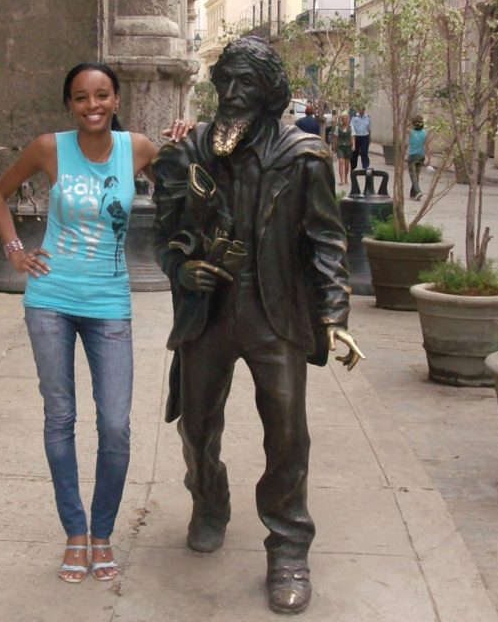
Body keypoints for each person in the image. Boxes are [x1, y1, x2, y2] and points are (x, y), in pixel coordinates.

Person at [151, 36, 365, 615]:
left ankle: (289, 548)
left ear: (269, 93)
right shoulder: (191, 150)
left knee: (288, 434)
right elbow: (164, 232)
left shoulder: (304, 156)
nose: (231, 94)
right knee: (195, 427)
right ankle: (208, 500)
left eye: (245, 84)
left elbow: (325, 240)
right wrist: (182, 266)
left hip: (276, 313)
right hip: (210, 311)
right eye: (225, 82)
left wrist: (334, 315)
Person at [0, 62, 189, 584]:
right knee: (60, 417)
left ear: (116, 100)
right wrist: (15, 252)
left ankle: (103, 531)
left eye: (101, 95)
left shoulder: (137, 148)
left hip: (109, 304)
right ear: (69, 105)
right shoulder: (49, 148)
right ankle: (76, 533)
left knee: (116, 425)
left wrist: (187, 142)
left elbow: (191, 183)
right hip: (50, 297)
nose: (92, 105)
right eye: (81, 97)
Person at [407, 114, 430, 200]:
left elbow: (405, 127)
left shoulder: (411, 132)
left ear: (414, 123)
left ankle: (418, 191)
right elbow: (427, 146)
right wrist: (429, 158)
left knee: (413, 176)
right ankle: (413, 194)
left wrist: (411, 122)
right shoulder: (425, 133)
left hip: (412, 156)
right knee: (416, 175)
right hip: (421, 156)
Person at [350, 100, 371, 171]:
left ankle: (365, 166)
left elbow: (369, 128)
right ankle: (353, 167)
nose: (361, 111)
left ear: (364, 110)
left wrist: (369, 138)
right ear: (358, 110)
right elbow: (351, 127)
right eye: (360, 110)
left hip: (365, 136)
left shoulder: (367, 117)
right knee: (354, 153)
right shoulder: (354, 117)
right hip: (356, 137)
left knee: (364, 152)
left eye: (362, 110)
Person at [333, 111, 353, 186]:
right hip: (340, 147)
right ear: (341, 119)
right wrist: (334, 148)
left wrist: (353, 145)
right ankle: (341, 179)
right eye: (343, 118)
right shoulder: (338, 128)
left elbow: (352, 137)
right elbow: (335, 138)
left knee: (347, 164)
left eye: (346, 118)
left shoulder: (351, 128)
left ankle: (346, 178)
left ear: (348, 119)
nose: (345, 120)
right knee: (341, 162)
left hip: (348, 147)